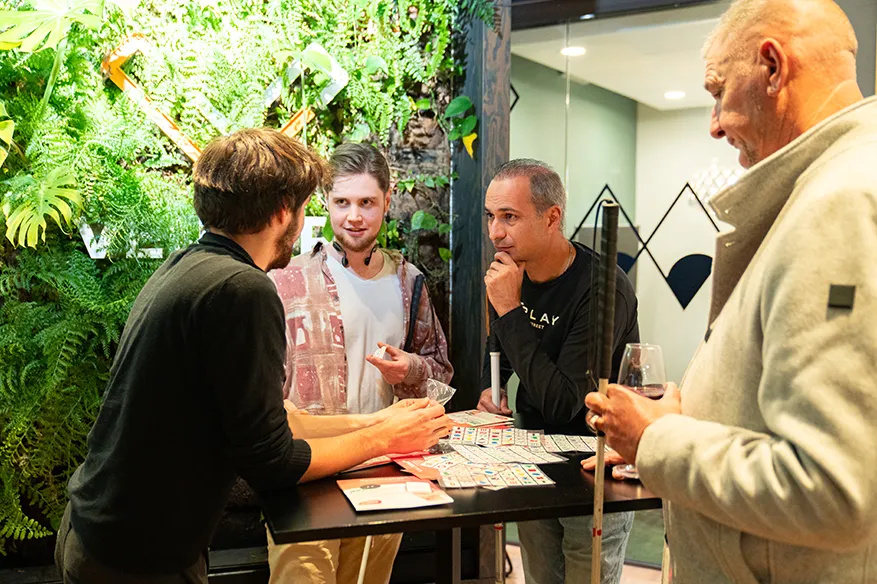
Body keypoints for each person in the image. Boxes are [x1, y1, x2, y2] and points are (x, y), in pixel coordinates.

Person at [55, 129, 450, 584]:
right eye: (310, 207)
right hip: (139, 553)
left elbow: (277, 419)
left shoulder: (191, 266)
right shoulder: (245, 289)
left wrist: (383, 423)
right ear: (284, 212)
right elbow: (273, 461)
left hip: (103, 531)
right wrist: (385, 440)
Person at [583, 1, 877, 583]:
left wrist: (657, 438)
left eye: (718, 91)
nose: (714, 122)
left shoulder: (837, 205)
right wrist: (688, 414)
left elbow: (832, 490)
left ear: (772, 67)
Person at [265, 142, 453, 584]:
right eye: (342, 202)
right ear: (325, 203)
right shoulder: (286, 281)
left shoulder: (409, 282)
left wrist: (409, 370)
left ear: (388, 201)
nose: (354, 216)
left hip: (385, 470)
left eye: (367, 202)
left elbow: (441, 373)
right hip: (308, 473)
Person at [476, 159, 640, 584]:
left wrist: (510, 311)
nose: (496, 232)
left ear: (552, 218)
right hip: (532, 461)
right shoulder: (512, 273)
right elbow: (500, 356)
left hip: (593, 469)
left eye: (509, 217)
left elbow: (565, 402)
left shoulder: (603, 288)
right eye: (491, 217)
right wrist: (487, 389)